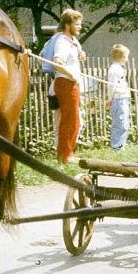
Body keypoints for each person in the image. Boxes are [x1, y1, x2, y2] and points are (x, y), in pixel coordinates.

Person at [51, 9, 86, 163]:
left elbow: (76, 52)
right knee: (69, 120)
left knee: (74, 119)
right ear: (67, 25)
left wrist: (81, 54)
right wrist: (71, 75)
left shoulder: (71, 40)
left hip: (70, 83)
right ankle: (65, 156)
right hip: (66, 82)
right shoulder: (62, 41)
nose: (80, 27)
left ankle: (67, 152)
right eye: (77, 24)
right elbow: (57, 63)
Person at [106, 44, 131, 150]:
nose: (127, 59)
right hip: (118, 99)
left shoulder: (119, 68)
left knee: (124, 123)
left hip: (123, 98)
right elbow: (111, 86)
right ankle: (117, 147)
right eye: (127, 56)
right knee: (120, 124)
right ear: (123, 56)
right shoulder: (114, 69)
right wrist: (109, 99)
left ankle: (121, 146)